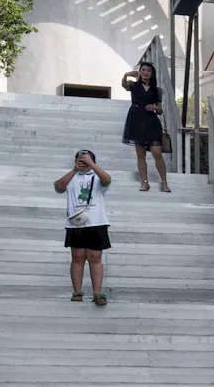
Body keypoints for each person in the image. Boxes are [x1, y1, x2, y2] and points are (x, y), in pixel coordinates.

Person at [59, 148, 114, 308]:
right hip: (76, 222)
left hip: (96, 222)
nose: (84, 162)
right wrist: (74, 170)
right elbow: (59, 187)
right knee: (77, 256)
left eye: (87, 160)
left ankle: (97, 293)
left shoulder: (97, 176)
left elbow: (107, 180)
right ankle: (77, 292)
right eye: (80, 159)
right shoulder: (71, 177)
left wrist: (92, 165)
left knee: (95, 257)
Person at [120, 49, 171, 194]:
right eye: (143, 70)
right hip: (136, 120)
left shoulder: (157, 90)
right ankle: (144, 182)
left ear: (152, 73)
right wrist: (126, 74)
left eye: (148, 71)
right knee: (140, 154)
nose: (145, 72)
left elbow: (160, 110)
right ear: (139, 72)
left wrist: (155, 108)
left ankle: (164, 182)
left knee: (157, 152)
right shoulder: (134, 86)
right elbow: (124, 85)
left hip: (151, 122)